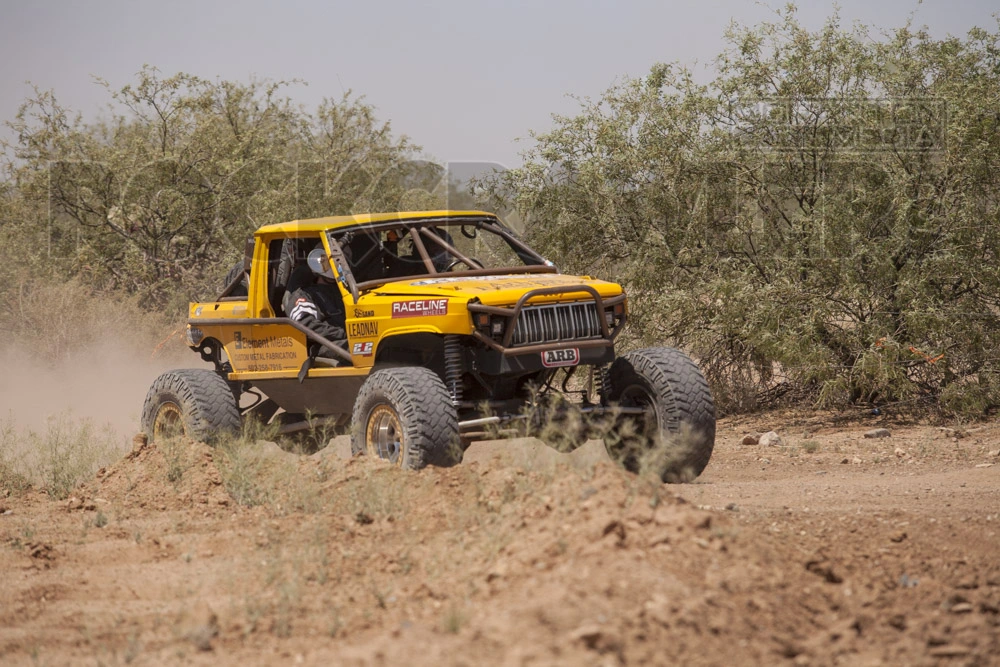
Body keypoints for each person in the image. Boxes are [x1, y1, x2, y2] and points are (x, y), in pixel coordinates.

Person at [283, 248, 348, 357]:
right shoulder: (304, 295)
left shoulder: (347, 291)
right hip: (324, 346)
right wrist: (343, 333)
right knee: (362, 350)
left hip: (352, 340)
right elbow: (305, 326)